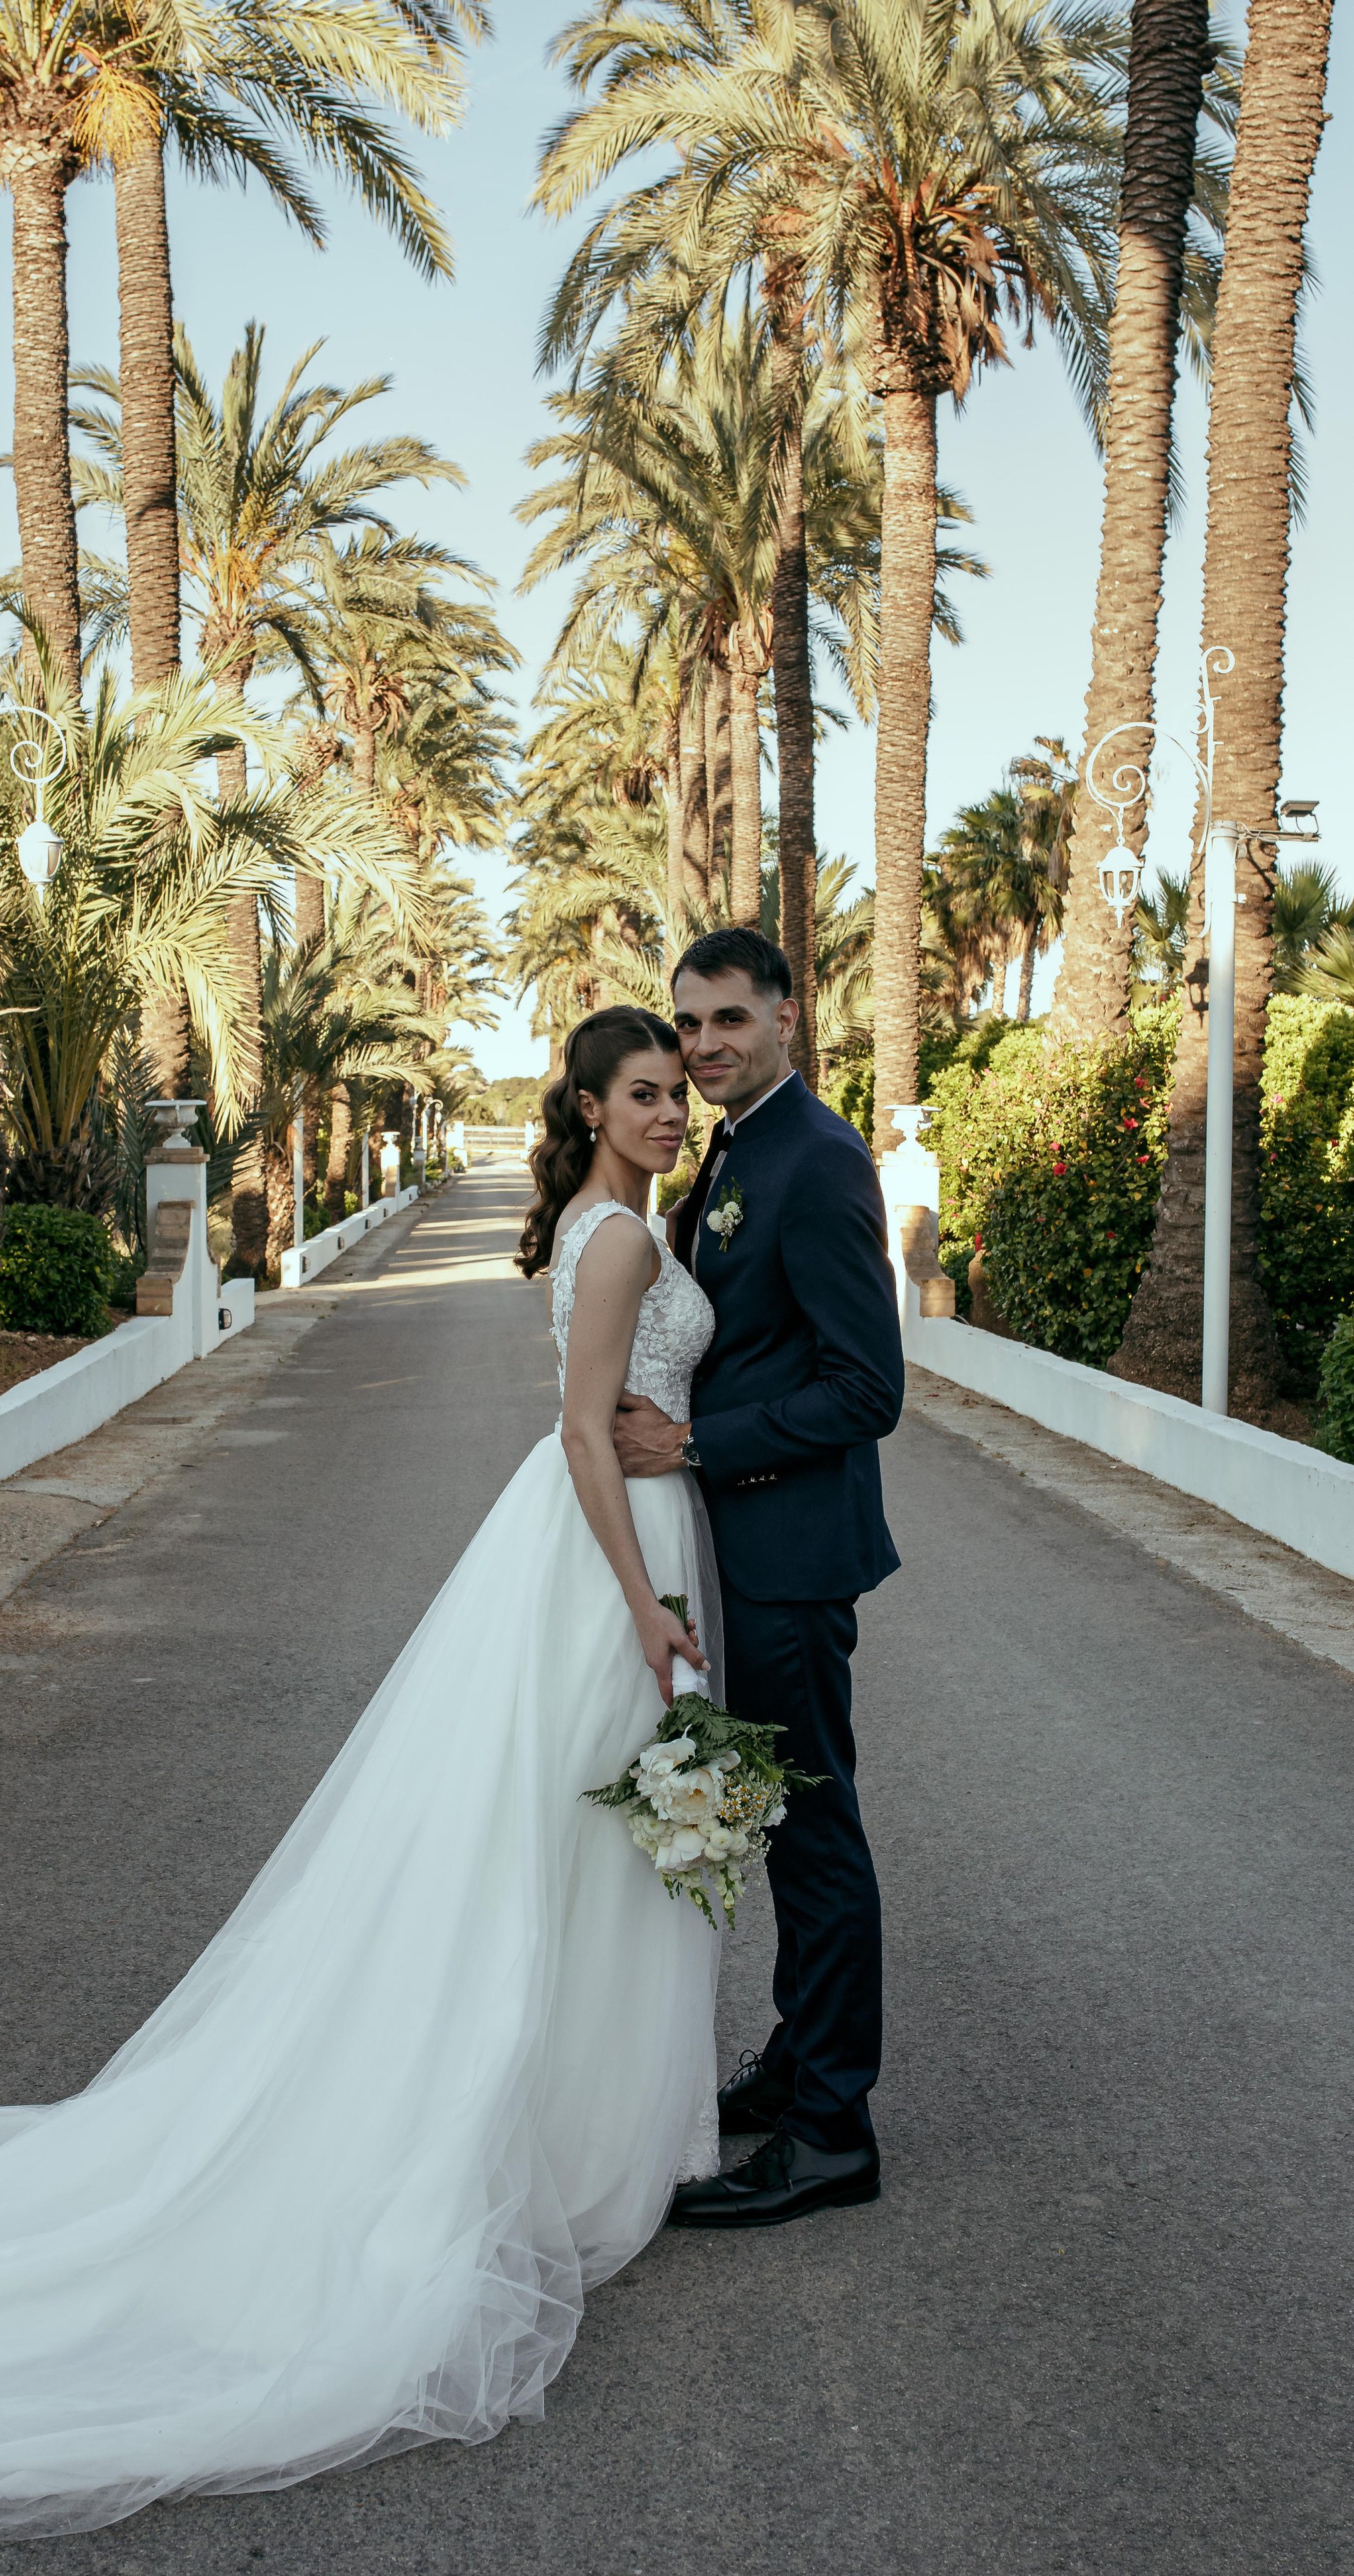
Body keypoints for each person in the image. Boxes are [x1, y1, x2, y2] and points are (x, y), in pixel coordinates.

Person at [0, 1007, 727, 2544]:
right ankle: (547, 2136)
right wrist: (640, 1605)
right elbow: (577, 1435)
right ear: (592, 1108)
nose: (669, 1112)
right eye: (644, 1093)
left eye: (676, 1093)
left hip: (616, 1543)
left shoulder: (630, 1222)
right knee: (564, 1840)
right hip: (604, 1559)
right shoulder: (613, 1241)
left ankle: (578, 2121)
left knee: (574, 1840)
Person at [613, 926, 905, 2229]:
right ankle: (795, 2064)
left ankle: (832, 2133)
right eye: (687, 1024)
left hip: (790, 1558)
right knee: (780, 1825)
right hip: (738, 1554)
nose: (704, 1044)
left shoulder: (819, 1159)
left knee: (815, 1835)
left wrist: (692, 1444)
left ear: (786, 1013)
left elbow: (866, 1387)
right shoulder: (733, 1148)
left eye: (728, 1018)